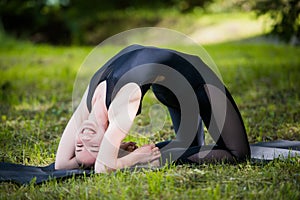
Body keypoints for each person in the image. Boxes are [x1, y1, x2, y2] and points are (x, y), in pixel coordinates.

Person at [55, 44, 250, 173]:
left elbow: (68, 164)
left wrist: (125, 156)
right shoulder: (118, 113)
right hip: (176, 85)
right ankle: (159, 155)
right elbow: (102, 167)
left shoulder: (92, 106)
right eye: (93, 147)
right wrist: (130, 157)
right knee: (238, 155)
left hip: (194, 75)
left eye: (79, 144)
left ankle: (158, 154)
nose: (84, 140)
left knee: (193, 146)